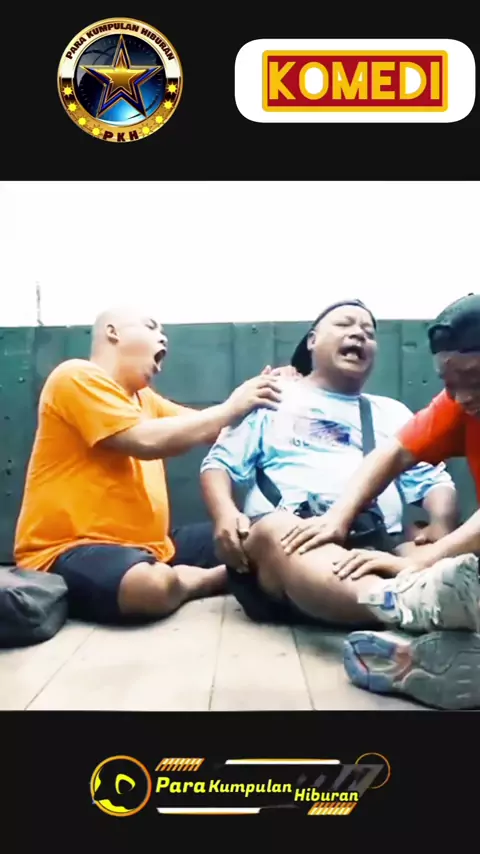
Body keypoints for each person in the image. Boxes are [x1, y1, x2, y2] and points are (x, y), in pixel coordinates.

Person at [200, 300, 472, 659]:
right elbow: (218, 463)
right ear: (312, 340)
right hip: (289, 544)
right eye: (345, 324)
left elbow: (433, 480)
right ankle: (405, 603)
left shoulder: (391, 412)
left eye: (369, 332)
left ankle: (418, 608)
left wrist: (440, 526)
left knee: (441, 555)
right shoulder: (271, 397)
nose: (358, 334)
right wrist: (224, 514)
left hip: (374, 545)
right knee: (275, 529)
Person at [13, 306, 287, 626]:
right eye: (151, 326)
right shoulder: (75, 376)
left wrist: (272, 395)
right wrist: (232, 406)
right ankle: (217, 578)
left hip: (153, 547)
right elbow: (143, 440)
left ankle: (189, 573)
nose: (163, 337)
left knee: (261, 534)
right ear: (113, 332)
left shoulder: (144, 399)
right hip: (66, 552)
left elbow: (212, 428)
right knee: (149, 586)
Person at [279, 293, 480, 709]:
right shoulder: (458, 405)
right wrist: (337, 517)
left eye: (474, 379)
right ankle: (432, 653)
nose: (461, 397)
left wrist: (422, 561)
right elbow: (394, 453)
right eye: (448, 382)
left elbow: (433, 486)